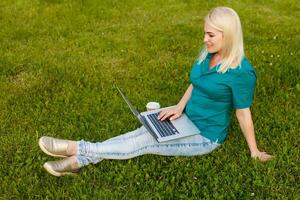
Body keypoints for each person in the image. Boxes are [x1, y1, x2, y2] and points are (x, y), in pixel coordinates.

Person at [38, 7, 272, 176]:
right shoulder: (208, 55)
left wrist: (254, 151)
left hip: (205, 136)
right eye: (205, 33)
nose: (204, 39)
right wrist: (179, 107)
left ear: (228, 35)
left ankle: (78, 148)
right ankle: (80, 160)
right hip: (186, 119)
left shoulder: (241, 73)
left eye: (210, 35)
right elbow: (196, 83)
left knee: (145, 142)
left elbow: (243, 113)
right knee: (141, 132)